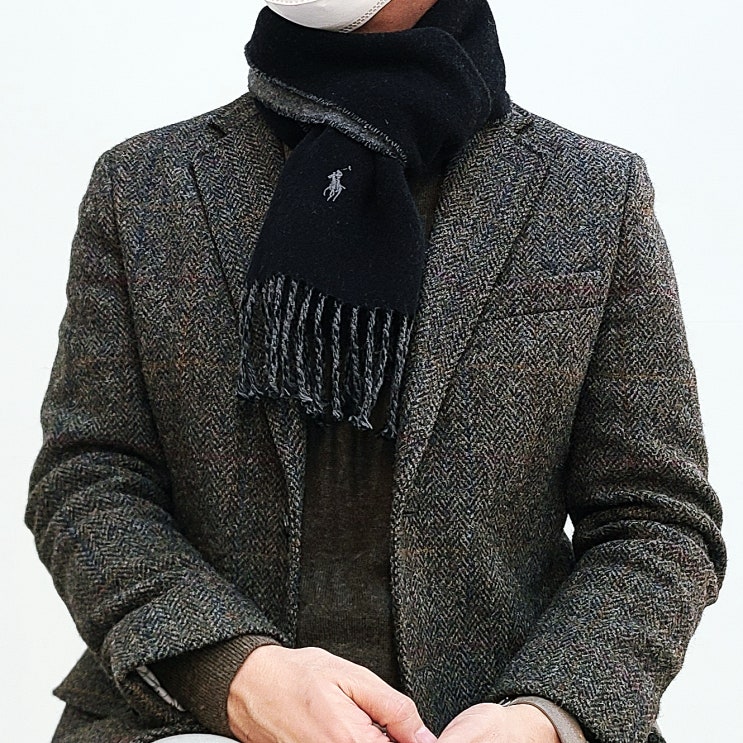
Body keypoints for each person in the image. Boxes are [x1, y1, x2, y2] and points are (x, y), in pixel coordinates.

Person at [25, 1, 726, 742]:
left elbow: (654, 520)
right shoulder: (145, 184)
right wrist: (231, 672)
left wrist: (545, 716)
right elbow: (88, 479)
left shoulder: (590, 193)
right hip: (187, 721)